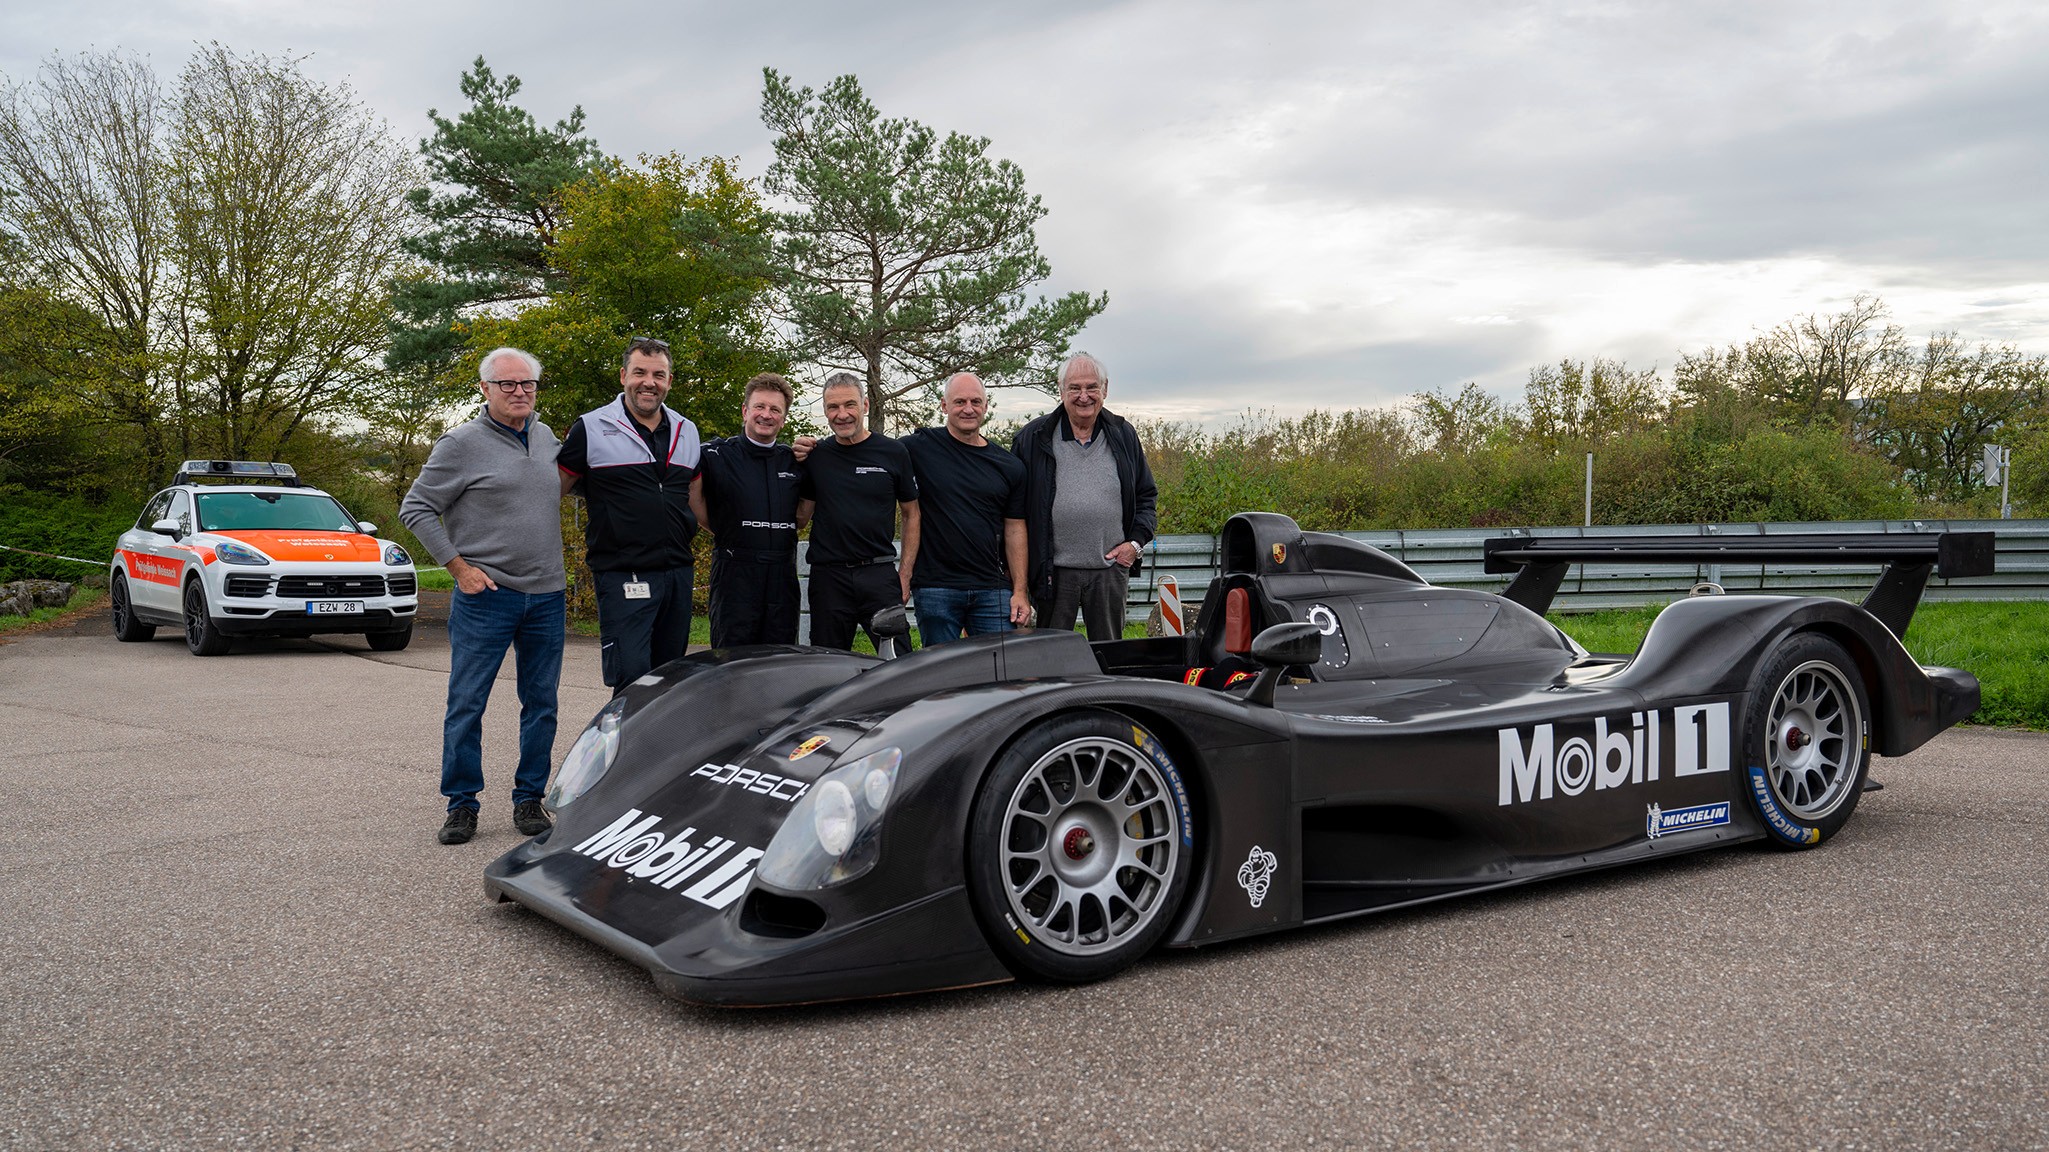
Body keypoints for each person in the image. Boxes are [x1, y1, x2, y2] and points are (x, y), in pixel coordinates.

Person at [400, 346, 566, 845]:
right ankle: (462, 803)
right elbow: (417, 508)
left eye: (528, 384)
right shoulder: (461, 444)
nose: (519, 393)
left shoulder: (547, 438)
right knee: (468, 701)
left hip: (547, 595)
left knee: (541, 703)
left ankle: (529, 798)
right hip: (486, 596)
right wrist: (458, 568)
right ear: (485, 389)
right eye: (507, 384)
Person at [556, 336, 702, 694]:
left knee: (670, 679)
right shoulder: (590, 428)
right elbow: (550, 493)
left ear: (670, 381)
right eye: (639, 372)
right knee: (632, 677)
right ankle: (624, 750)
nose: (648, 382)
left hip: (677, 573)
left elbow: (696, 502)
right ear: (623, 375)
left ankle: (665, 750)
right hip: (623, 573)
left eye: (658, 374)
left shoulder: (688, 431)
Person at [1013, 351, 1158, 641]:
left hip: (1108, 570)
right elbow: (1012, 509)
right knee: (1051, 656)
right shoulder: (1033, 437)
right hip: (1053, 572)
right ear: (1061, 390)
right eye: (1075, 388)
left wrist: (1134, 544)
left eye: (1092, 387)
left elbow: (1146, 496)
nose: (1084, 396)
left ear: (1105, 389)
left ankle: (1106, 690)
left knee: (1109, 654)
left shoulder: (1123, 434)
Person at [793, 372, 920, 650]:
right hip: (829, 578)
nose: (842, 414)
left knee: (898, 661)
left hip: (879, 574)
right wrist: (792, 462)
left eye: (849, 404)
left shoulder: (893, 452)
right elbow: (801, 518)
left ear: (864, 405)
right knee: (828, 665)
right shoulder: (816, 456)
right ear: (824, 411)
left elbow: (911, 514)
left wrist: (905, 574)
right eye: (833, 407)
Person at [902, 373, 1030, 644]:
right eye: (959, 401)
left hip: (992, 590)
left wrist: (1020, 590)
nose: (968, 408)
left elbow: (1015, 529)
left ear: (986, 405)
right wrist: (817, 449)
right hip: (935, 587)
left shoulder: (1008, 466)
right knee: (942, 673)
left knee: (1000, 673)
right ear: (944, 406)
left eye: (975, 401)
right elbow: (870, 452)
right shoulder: (918, 448)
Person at [690, 373, 804, 646]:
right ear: (745, 411)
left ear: (784, 417)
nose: (766, 415)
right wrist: (728, 530)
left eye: (775, 409)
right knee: (731, 663)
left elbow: (802, 517)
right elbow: (696, 504)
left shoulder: (795, 460)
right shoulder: (714, 455)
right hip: (734, 576)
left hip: (781, 577)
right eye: (760, 407)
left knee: (780, 662)